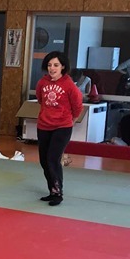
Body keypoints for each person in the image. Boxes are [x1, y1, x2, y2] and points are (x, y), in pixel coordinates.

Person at [35, 51, 84, 206]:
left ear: (62, 67)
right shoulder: (42, 83)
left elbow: (77, 106)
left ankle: (57, 193)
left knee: (52, 159)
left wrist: (70, 121)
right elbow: (40, 100)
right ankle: (52, 190)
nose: (52, 68)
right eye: (50, 65)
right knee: (44, 160)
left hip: (62, 127)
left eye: (56, 65)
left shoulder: (69, 85)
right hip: (44, 125)